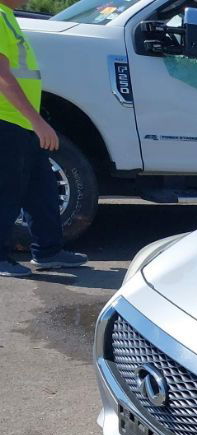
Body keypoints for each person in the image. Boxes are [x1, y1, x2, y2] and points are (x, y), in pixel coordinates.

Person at [1, 0, 88, 277]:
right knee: (6, 193)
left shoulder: (7, 16)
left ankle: (48, 252)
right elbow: (2, 76)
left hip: (21, 122)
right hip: (8, 122)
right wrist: (37, 121)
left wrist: (34, 121)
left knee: (42, 189)